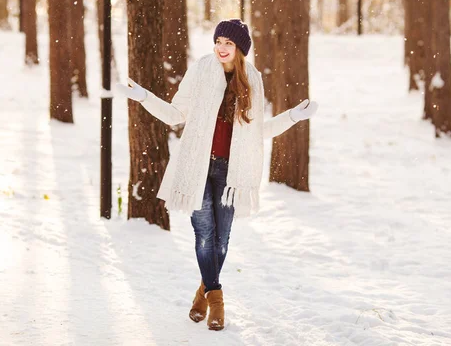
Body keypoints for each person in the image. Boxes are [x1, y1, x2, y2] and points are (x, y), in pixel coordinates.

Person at [116, 19, 318, 331]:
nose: (221, 48)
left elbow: (258, 131)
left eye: (229, 43)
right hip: (197, 166)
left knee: (222, 239)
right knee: (205, 233)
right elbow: (175, 115)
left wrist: (293, 116)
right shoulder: (200, 70)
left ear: (240, 50)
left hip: (231, 170)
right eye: (219, 41)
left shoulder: (252, 79)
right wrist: (144, 96)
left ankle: (203, 291)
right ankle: (217, 299)